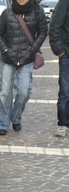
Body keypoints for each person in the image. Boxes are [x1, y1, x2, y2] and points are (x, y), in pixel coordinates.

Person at [0, 0, 47, 135]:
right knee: (4, 91)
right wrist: (5, 50)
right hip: (8, 59)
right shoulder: (7, 13)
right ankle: (3, 124)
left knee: (24, 92)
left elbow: (42, 32)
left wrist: (32, 49)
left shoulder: (37, 11)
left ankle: (16, 117)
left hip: (27, 58)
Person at [50, 0, 69, 136]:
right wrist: (60, 51)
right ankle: (63, 124)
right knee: (66, 91)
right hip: (67, 53)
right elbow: (55, 26)